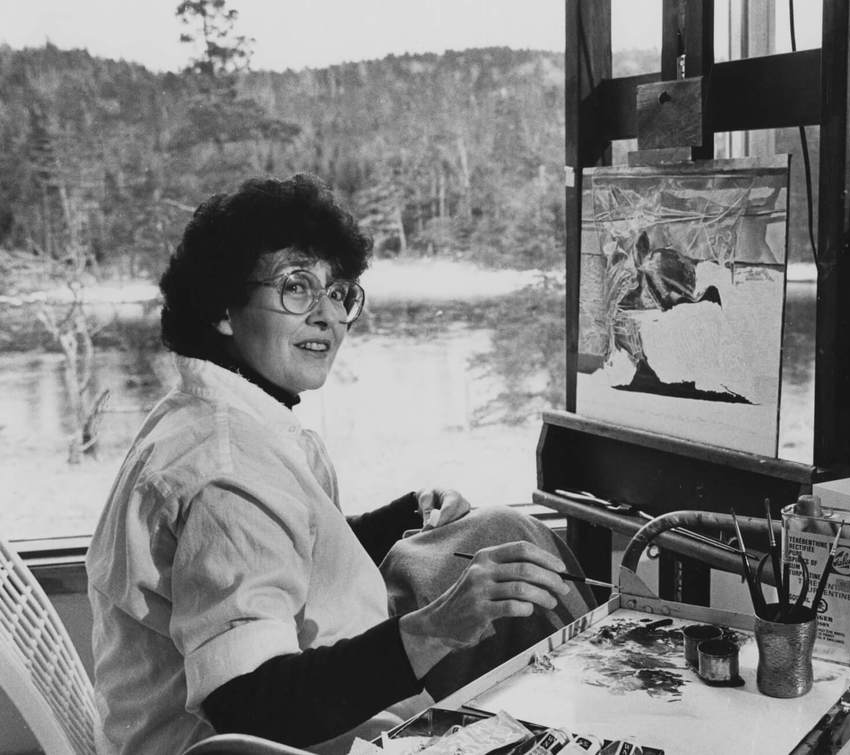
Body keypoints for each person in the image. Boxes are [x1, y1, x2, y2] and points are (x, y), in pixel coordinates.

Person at [85, 174, 591, 754]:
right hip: (252, 746)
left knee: (495, 531)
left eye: (339, 292)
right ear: (223, 307)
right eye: (297, 288)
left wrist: (404, 516)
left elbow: (283, 557)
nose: (327, 316)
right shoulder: (226, 470)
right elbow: (250, 706)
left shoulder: (209, 414)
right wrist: (435, 626)